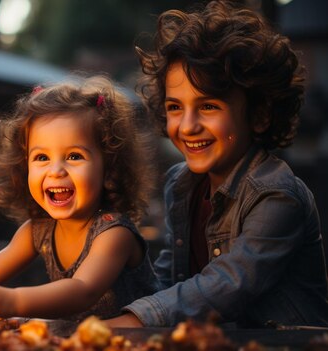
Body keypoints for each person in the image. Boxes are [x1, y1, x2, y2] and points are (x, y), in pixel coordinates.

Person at [107, 0, 328, 328]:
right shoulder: (180, 184)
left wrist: (135, 321)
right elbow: (169, 281)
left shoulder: (276, 196)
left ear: (260, 114)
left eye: (208, 106)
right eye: (175, 107)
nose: (187, 126)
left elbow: (225, 285)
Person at [0, 75, 159, 324]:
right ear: (23, 166)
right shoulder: (38, 229)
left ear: (109, 169)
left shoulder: (114, 234)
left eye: (74, 156)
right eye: (41, 158)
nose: (56, 171)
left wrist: (13, 302)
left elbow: (83, 290)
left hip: (138, 339)